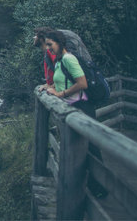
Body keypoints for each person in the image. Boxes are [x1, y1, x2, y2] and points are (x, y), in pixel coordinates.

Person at [42, 30, 107, 197]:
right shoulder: (59, 61)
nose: (47, 48)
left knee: (91, 147)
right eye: (47, 44)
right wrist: (51, 88)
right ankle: (84, 186)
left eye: (50, 44)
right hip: (73, 107)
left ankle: (100, 187)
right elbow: (62, 81)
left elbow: (82, 83)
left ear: (60, 43)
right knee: (76, 147)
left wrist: (60, 94)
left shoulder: (69, 58)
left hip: (82, 106)